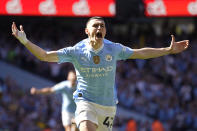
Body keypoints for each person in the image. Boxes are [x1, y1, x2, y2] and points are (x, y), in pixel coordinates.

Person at [11, 16, 189, 131]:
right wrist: (25, 41)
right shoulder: (76, 51)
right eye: (95, 25)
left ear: (105, 31)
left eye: (102, 26)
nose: (99, 28)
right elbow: (44, 56)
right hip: (85, 101)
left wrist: (167, 50)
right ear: (87, 31)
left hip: (108, 105)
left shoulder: (114, 48)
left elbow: (140, 53)